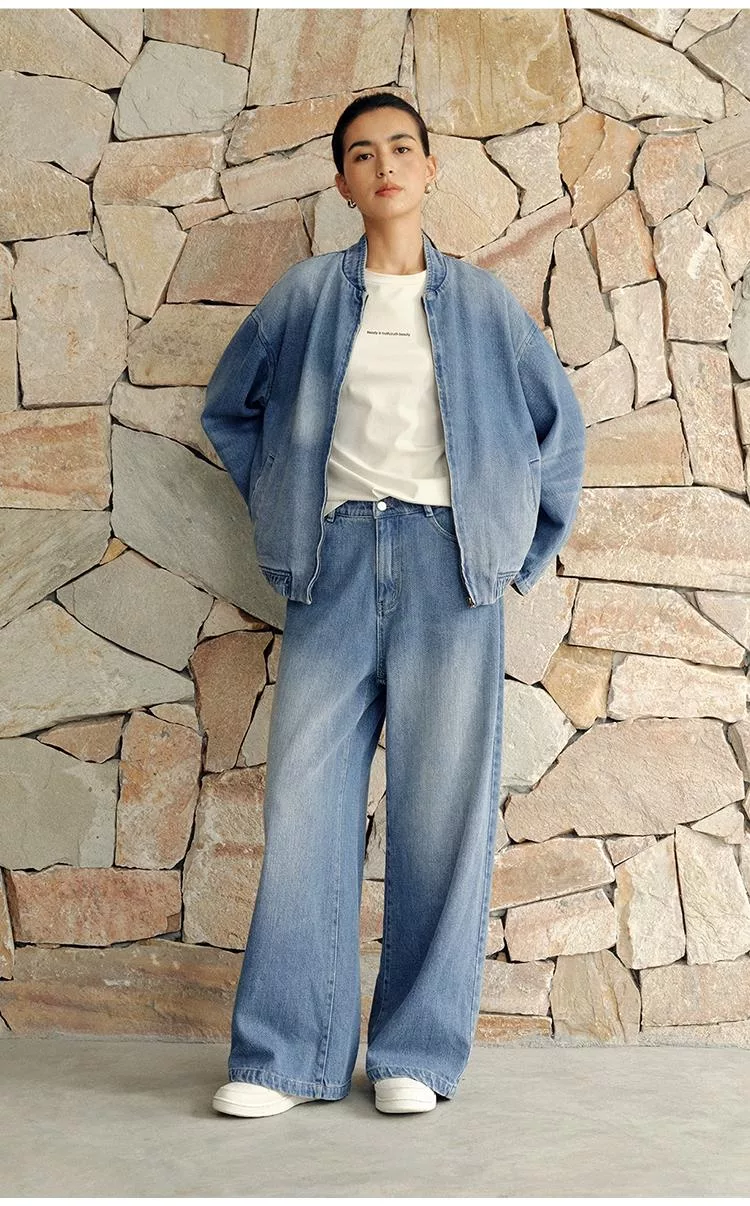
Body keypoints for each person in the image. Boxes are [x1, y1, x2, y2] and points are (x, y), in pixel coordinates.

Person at [203, 92, 586, 1119]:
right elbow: (229, 409)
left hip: (448, 569)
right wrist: (283, 507)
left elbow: (560, 433)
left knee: (440, 814)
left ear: (430, 167)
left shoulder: (486, 306)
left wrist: (515, 556)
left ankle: (415, 1052)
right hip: (333, 562)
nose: (385, 167)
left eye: (401, 149)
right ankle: (286, 1057)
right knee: (304, 810)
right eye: (363, 154)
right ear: (342, 182)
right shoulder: (302, 298)